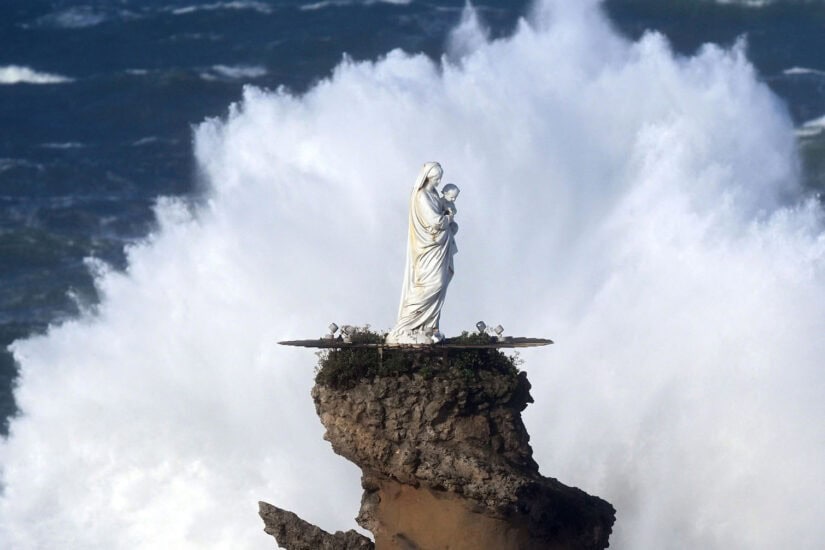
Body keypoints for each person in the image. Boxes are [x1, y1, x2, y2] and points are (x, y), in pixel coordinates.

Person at [386, 162, 458, 344]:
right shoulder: (422, 196)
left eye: (440, 178)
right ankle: (406, 324)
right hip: (427, 248)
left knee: (439, 285)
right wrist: (449, 217)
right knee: (431, 283)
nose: (439, 181)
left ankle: (428, 326)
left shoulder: (434, 194)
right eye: (436, 178)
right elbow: (435, 222)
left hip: (438, 247)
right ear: (427, 177)